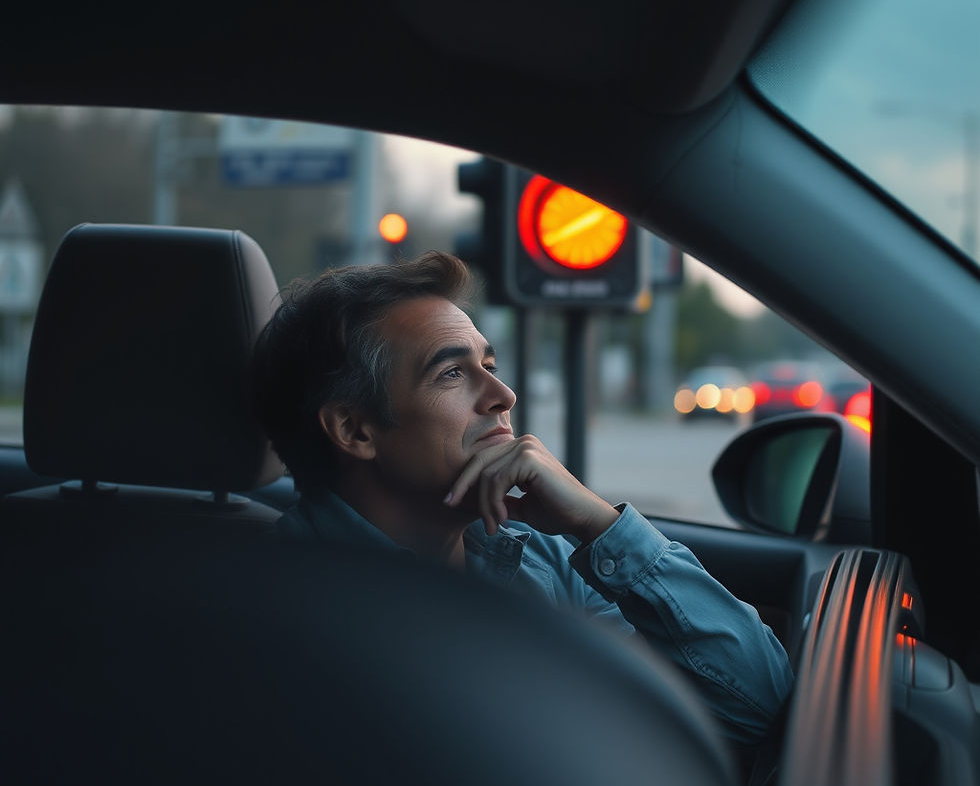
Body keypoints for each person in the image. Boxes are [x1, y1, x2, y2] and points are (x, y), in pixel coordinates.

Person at [251, 251, 792, 745]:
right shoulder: (279, 610)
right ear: (355, 430)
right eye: (452, 373)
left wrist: (600, 525)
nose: (503, 396)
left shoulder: (539, 557)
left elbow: (762, 706)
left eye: (489, 365)